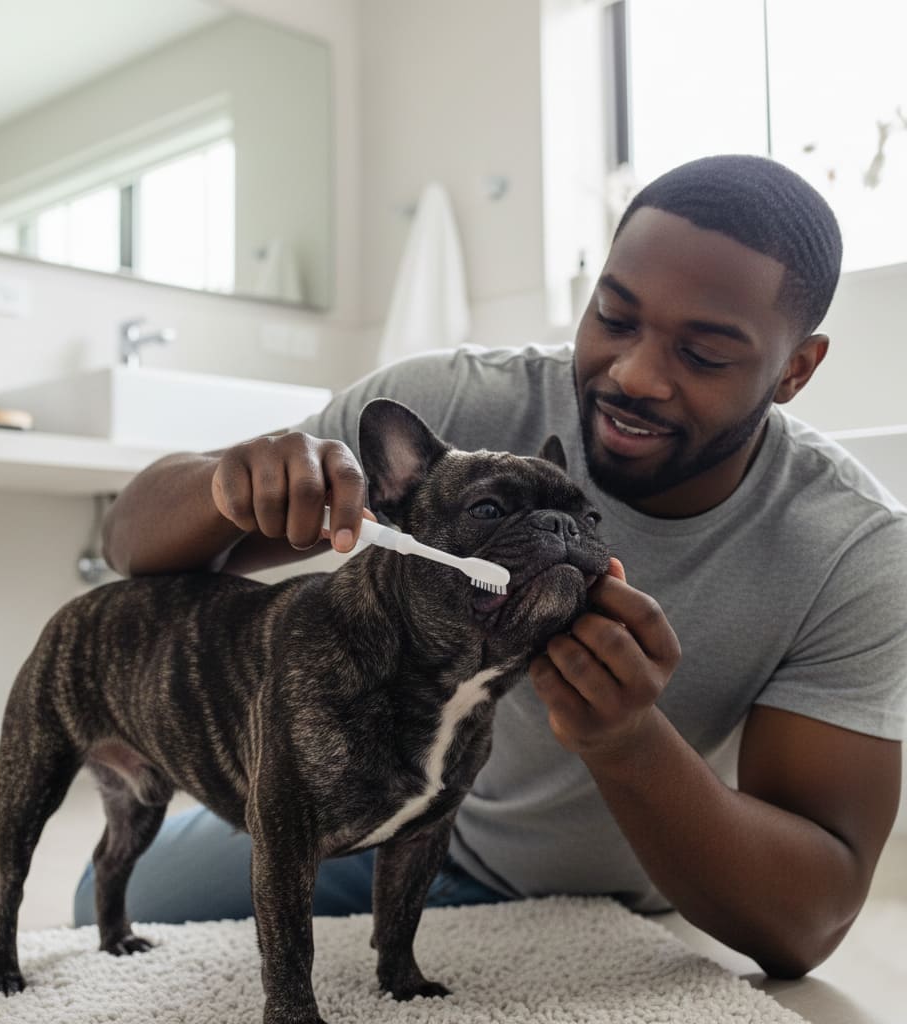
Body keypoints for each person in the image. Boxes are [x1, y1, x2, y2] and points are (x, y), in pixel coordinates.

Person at [75, 154, 907, 979]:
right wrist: (227, 485)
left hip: (637, 891)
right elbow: (129, 544)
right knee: (99, 902)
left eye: (704, 355)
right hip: (393, 816)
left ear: (795, 368)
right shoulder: (452, 407)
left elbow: (807, 927)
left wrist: (628, 742)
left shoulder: (853, 550)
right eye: (614, 318)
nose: (635, 374)